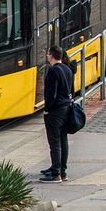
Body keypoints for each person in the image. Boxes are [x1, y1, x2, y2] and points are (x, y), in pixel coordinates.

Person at [40, 46, 75, 183]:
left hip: (55, 111)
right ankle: (63, 171)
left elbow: (51, 94)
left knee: (54, 142)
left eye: (48, 54)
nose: (47, 56)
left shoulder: (53, 71)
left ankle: (56, 174)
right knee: (63, 140)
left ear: (51, 56)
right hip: (67, 108)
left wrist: (47, 109)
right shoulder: (68, 69)